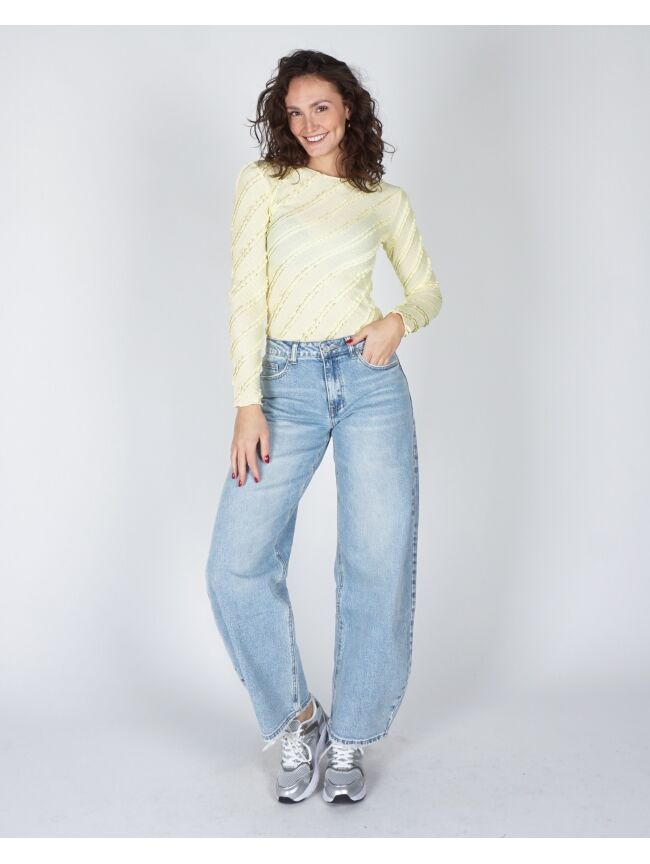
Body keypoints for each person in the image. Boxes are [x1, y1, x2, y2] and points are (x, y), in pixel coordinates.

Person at [205, 49, 442, 804]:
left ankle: (351, 738)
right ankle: (300, 719)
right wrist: (248, 401)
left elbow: (427, 291)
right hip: (284, 385)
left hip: (369, 381)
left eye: (321, 108)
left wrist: (398, 321)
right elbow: (247, 294)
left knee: (376, 559)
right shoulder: (264, 184)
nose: (308, 124)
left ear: (349, 110)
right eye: (295, 111)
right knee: (235, 563)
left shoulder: (383, 200)